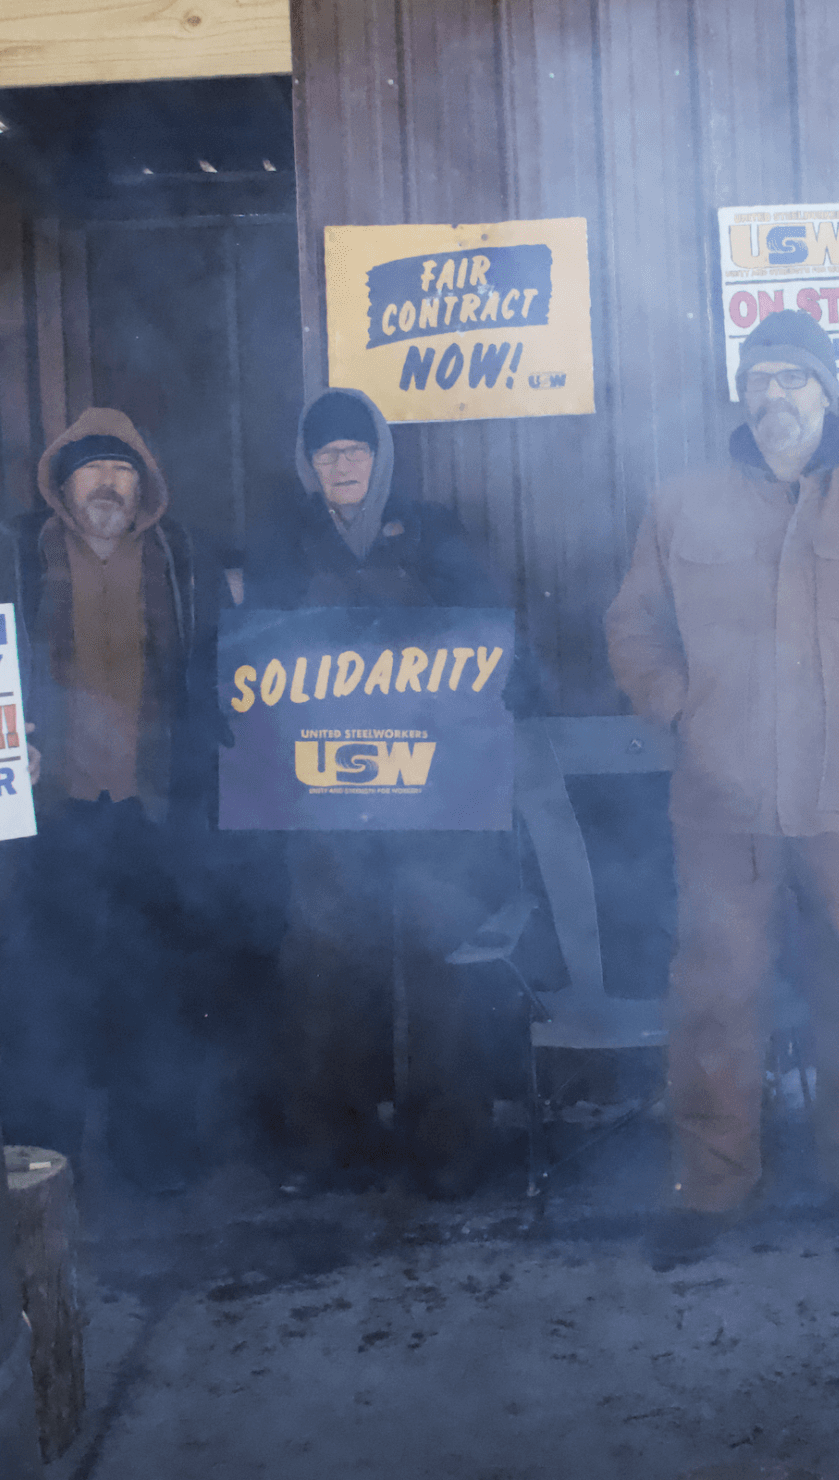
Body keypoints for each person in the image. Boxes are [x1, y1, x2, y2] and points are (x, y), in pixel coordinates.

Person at [605, 309, 839, 1264]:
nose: (775, 396)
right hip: (724, 803)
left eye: (793, 379)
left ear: (828, 391)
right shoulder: (683, 505)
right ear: (743, 394)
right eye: (759, 379)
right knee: (717, 992)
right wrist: (681, 705)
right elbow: (635, 625)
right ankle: (711, 1186)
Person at [240, 385, 531, 1199]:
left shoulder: (435, 529)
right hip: (321, 789)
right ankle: (333, 1142)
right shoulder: (282, 541)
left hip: (434, 792)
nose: (340, 463)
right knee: (325, 965)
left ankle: (447, 1143)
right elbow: (247, 661)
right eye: (325, 452)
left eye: (354, 449)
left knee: (437, 957)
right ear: (308, 463)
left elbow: (494, 637)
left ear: (381, 455)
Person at [0, 407, 231, 1187]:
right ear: (63, 482)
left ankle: (156, 1161)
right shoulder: (13, 552)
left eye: (123, 470)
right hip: (49, 821)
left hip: (151, 813)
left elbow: (222, 656)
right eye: (93, 470)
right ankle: (46, 1167)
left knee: (153, 994)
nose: (108, 484)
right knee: (44, 999)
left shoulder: (179, 555)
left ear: (144, 485)